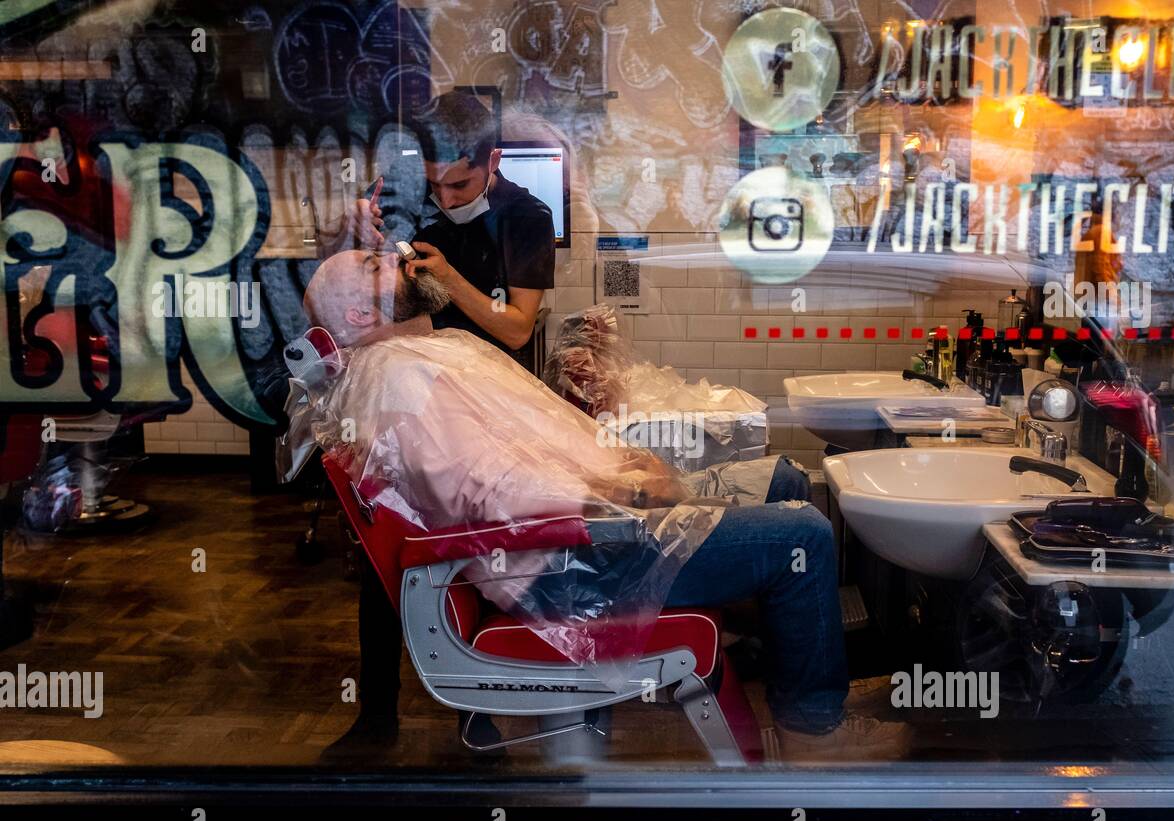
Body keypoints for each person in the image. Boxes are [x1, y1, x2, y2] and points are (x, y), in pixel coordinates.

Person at [305, 251, 909, 763]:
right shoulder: (402, 376)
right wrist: (628, 491)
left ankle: (790, 683)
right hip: (569, 565)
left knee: (780, 481)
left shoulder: (433, 354)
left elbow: (539, 444)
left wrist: (625, 461)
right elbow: (489, 489)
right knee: (803, 534)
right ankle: (815, 737)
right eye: (373, 261)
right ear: (361, 313)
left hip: (585, 533)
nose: (396, 255)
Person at [327, 92, 555, 367]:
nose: (446, 199)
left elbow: (517, 332)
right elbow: (333, 276)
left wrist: (448, 280)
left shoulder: (528, 218)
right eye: (435, 183)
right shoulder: (401, 186)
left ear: (493, 161)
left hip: (484, 375)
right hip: (400, 368)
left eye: (460, 185)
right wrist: (348, 229)